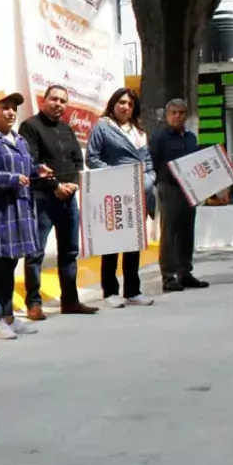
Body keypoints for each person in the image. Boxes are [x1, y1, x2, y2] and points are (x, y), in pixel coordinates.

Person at [20, 85, 99, 319]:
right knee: (36, 253)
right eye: (54, 99)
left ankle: (70, 301)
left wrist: (73, 184)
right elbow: (31, 161)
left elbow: (78, 160)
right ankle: (34, 303)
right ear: (44, 100)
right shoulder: (30, 127)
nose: (58, 104)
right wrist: (55, 186)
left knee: (70, 252)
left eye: (63, 101)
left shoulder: (67, 129)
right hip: (43, 199)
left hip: (68, 200)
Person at [0, 91, 48, 338]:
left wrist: (38, 170)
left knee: (11, 262)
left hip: (20, 208)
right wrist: (10, 179)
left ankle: (9, 315)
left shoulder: (19, 140)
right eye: (5, 108)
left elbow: (27, 168)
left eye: (13, 108)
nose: (10, 113)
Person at [86, 88, 156, 309]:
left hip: (138, 192)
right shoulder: (103, 127)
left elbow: (149, 162)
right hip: (114, 192)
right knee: (112, 243)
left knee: (133, 242)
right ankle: (110, 291)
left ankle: (133, 290)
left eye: (130, 104)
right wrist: (114, 175)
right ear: (113, 103)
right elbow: (92, 157)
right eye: (121, 102)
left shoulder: (139, 130)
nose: (126, 107)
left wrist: (150, 178)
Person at [149, 99, 209, 293]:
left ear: (186, 115)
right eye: (173, 113)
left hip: (189, 189)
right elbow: (154, 163)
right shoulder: (160, 138)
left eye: (181, 113)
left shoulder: (191, 138)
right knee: (169, 233)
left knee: (186, 231)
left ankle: (185, 273)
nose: (177, 116)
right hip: (170, 189)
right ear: (167, 115)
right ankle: (168, 276)